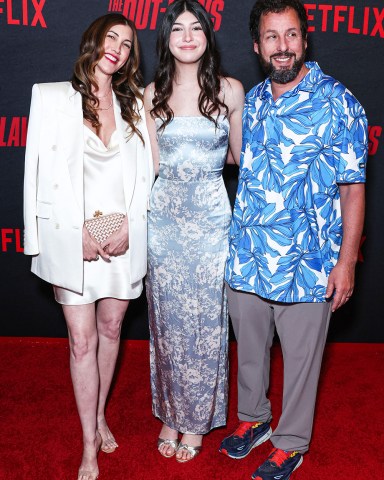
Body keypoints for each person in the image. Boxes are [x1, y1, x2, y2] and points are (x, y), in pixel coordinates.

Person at [219, 0, 367, 479]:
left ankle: (291, 441)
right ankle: (254, 418)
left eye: (291, 35)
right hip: (248, 257)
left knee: (303, 360)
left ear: (305, 39)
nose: (282, 47)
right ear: (257, 45)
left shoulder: (339, 102)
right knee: (250, 350)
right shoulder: (253, 101)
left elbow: (353, 189)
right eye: (271, 37)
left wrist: (346, 263)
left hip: (308, 260)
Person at [23, 14, 153, 480]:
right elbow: (35, 177)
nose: (117, 47)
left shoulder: (137, 103)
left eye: (127, 43)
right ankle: (87, 448)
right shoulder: (51, 96)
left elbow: (146, 177)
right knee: (82, 341)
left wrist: (132, 229)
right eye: (110, 37)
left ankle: (100, 415)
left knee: (112, 330)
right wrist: (61, 234)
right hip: (72, 239)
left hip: (121, 237)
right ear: (92, 40)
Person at [144, 0, 244, 463]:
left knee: (205, 324)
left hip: (209, 222)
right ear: (166, 39)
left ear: (208, 35)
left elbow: (240, 159)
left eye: (196, 27)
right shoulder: (150, 95)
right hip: (163, 222)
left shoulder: (230, 91)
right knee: (166, 321)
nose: (187, 36)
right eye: (177, 28)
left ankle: (197, 420)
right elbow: (150, 168)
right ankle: (170, 412)